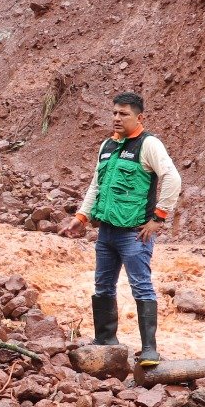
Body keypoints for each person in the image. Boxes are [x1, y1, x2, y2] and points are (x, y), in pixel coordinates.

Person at [64, 92, 181, 366]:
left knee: (141, 286)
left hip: (134, 233)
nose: (117, 118)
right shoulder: (107, 145)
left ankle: (149, 350)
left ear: (139, 117)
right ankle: (105, 339)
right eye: (115, 112)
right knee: (103, 284)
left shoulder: (148, 144)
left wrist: (159, 218)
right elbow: (96, 185)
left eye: (124, 113)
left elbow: (172, 177)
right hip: (106, 231)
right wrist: (81, 217)